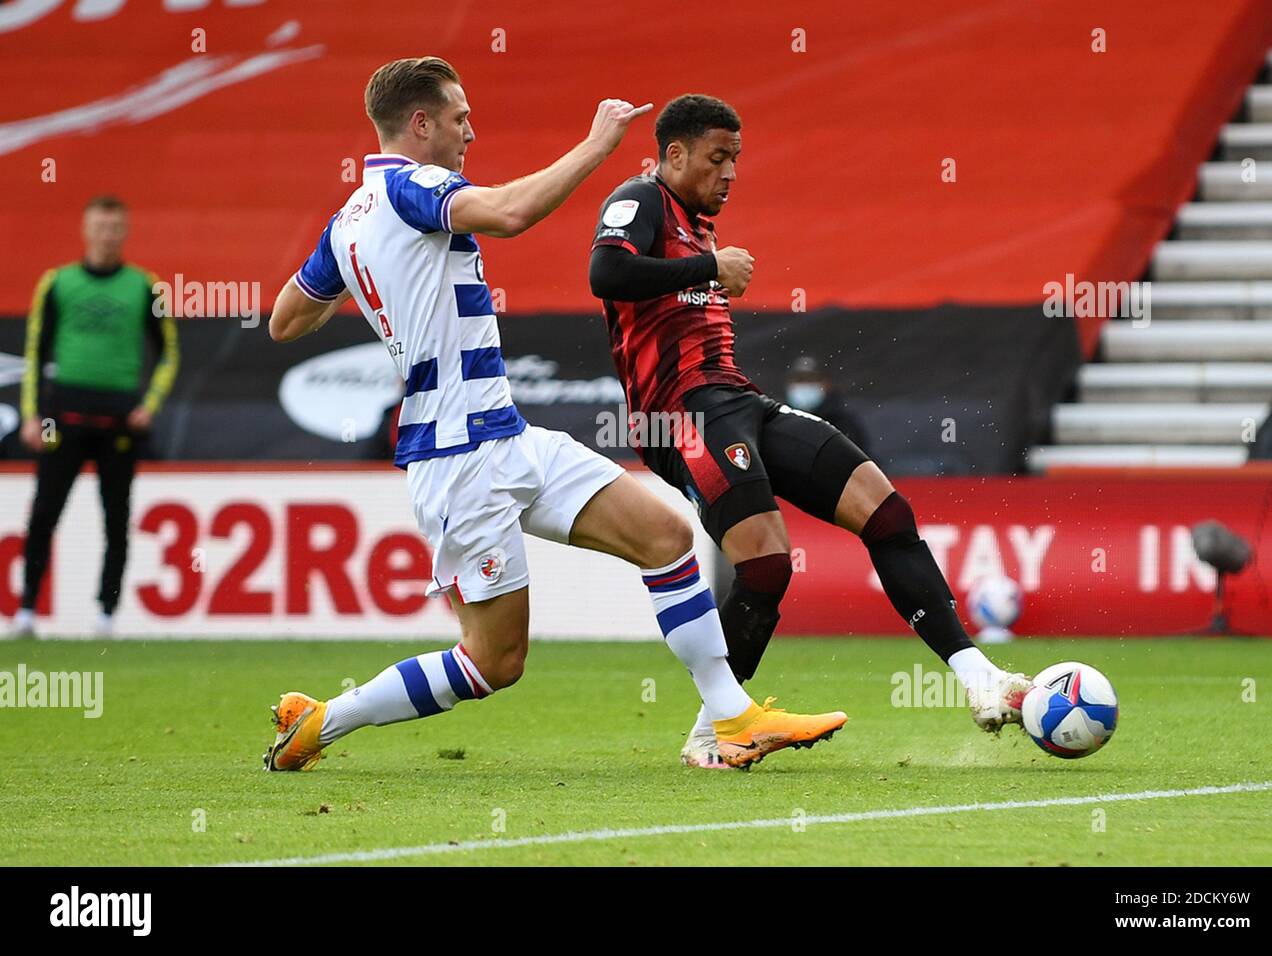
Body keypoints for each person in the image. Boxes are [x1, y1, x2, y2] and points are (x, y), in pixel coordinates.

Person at [263, 58, 847, 772]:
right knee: (494, 662)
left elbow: (286, 320)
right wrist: (597, 147)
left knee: (665, 535)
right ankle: (323, 724)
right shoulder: (414, 185)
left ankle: (732, 720)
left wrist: (377, 290)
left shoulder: (348, 220)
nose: (469, 132)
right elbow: (509, 213)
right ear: (419, 125)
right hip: (457, 459)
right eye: (458, 118)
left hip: (504, 436)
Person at [588, 94, 1029, 769]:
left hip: (738, 400)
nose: (731, 172)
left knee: (885, 510)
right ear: (673, 155)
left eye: (736, 158)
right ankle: (717, 729)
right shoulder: (641, 198)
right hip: (681, 412)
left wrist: (708, 264)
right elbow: (605, 271)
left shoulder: (697, 221)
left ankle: (978, 676)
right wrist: (710, 268)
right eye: (717, 157)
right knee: (765, 560)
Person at [11, 195, 179, 638]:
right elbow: (35, 350)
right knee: (45, 513)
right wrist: (32, 415)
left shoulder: (145, 287)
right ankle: (26, 610)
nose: (108, 235)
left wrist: (151, 405)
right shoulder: (58, 283)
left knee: (116, 519)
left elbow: (168, 354)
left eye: (115, 228)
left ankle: (107, 614)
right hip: (63, 414)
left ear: (124, 232)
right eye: (100, 227)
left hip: (119, 419)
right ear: (86, 231)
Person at [785, 355, 870, 457]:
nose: (805, 385)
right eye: (799, 380)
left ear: (827, 384)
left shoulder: (844, 425)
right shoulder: (779, 422)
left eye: (811, 380)